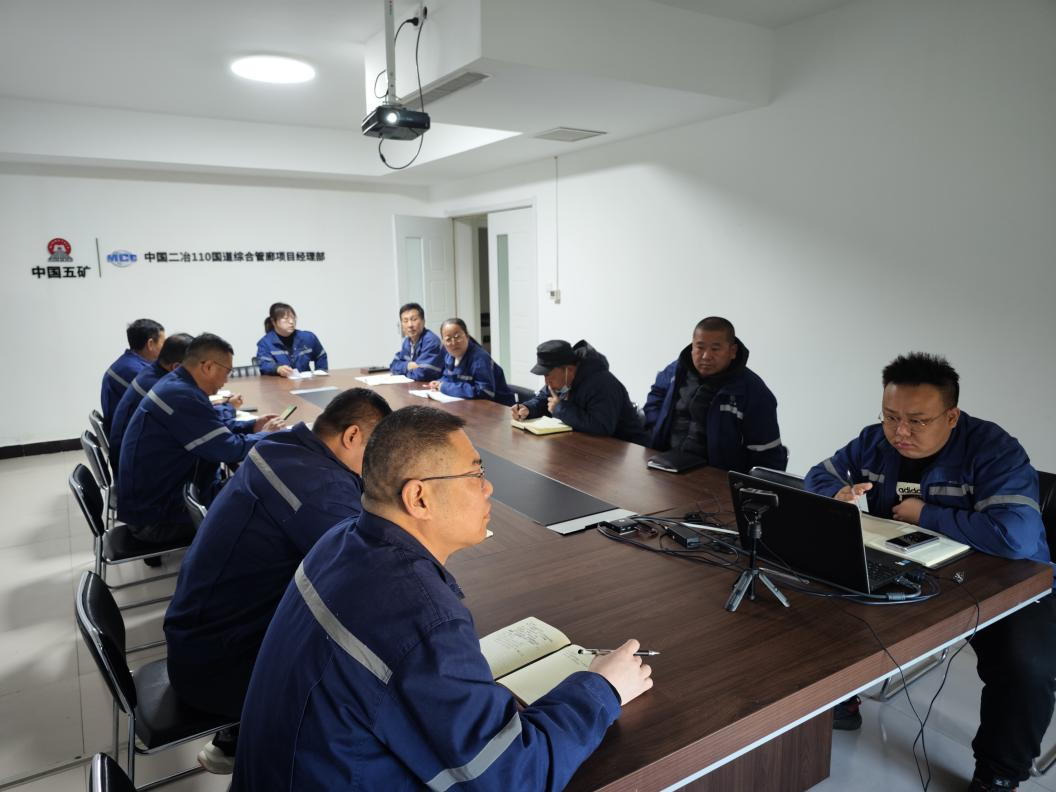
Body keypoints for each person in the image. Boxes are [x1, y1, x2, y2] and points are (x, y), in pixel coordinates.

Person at [232, 406, 653, 790]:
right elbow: (513, 777)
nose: (489, 488)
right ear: (419, 497)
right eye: (475, 475)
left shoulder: (339, 540)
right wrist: (603, 688)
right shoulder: (420, 616)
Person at [804, 352, 1054, 792]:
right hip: (914, 565)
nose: (900, 432)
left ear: (951, 416)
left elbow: (1016, 537)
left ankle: (999, 773)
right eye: (890, 416)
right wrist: (837, 492)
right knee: (824, 599)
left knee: (1024, 667)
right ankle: (840, 701)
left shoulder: (995, 450)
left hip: (1008, 580)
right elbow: (818, 474)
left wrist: (926, 514)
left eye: (917, 421)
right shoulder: (874, 441)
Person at [165, 388, 392, 774]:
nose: (378, 467)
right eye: (377, 453)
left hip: (199, 638)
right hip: (217, 669)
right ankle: (279, 757)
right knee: (363, 663)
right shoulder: (318, 488)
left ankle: (239, 736)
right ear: (352, 436)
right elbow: (370, 572)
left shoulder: (282, 448)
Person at [117, 333, 284, 545]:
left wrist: (252, 425)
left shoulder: (177, 384)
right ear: (208, 367)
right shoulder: (182, 395)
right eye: (227, 372)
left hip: (160, 502)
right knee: (267, 493)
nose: (226, 380)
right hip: (158, 519)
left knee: (254, 485)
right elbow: (228, 450)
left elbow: (207, 428)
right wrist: (266, 435)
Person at [643, 316, 787, 472]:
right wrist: (656, 427)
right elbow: (656, 395)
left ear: (732, 351)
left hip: (715, 476)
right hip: (664, 463)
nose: (706, 356)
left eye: (715, 349)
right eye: (700, 347)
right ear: (692, 347)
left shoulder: (752, 391)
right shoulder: (677, 371)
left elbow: (767, 454)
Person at [512, 339, 646, 444]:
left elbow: (602, 427)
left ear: (568, 370)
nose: (546, 382)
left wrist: (560, 409)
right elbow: (544, 399)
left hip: (625, 451)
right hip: (582, 447)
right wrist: (528, 408)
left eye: (548, 375)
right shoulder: (560, 381)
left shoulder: (602, 384)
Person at [107, 333, 193, 473]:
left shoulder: (149, 371)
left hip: (129, 458)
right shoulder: (162, 387)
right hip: (139, 470)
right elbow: (194, 419)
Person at [426, 317, 516, 405]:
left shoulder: (480, 358)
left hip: (498, 407)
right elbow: (448, 377)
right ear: (443, 342)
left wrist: (444, 387)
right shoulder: (449, 356)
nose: (453, 343)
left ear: (467, 335)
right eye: (448, 339)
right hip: (467, 404)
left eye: (457, 337)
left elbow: (485, 392)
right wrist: (439, 382)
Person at [99, 318, 165, 435]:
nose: (165, 349)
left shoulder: (128, 363)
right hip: (127, 436)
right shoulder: (135, 371)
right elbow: (164, 400)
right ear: (150, 344)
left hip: (124, 430)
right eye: (163, 343)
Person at [256, 302, 327, 376]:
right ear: (273, 321)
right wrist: (277, 368)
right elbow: (263, 363)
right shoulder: (265, 343)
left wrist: (320, 374)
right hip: (280, 382)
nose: (291, 322)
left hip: (304, 381)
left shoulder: (308, 337)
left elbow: (321, 356)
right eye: (286, 319)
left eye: (293, 318)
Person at [389, 301, 444, 381]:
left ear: (423, 321)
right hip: (414, 385)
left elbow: (422, 373)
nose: (410, 325)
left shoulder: (431, 341)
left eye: (414, 319)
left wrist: (403, 371)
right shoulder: (407, 342)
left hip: (431, 385)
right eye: (405, 321)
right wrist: (408, 366)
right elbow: (393, 365)